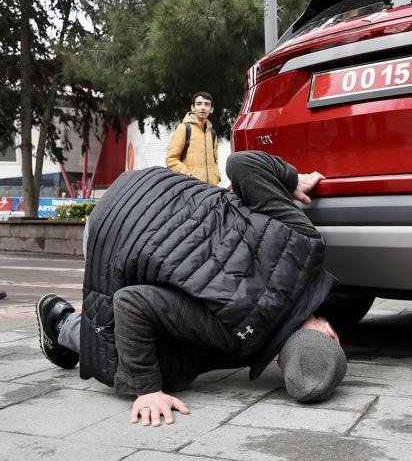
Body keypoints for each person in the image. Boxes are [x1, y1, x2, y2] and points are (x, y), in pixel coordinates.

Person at [36, 151, 347, 426]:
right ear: (280, 362)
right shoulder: (235, 334)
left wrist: (292, 180)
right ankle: (59, 321)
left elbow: (241, 163)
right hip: (109, 232)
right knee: (136, 363)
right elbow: (130, 303)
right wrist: (148, 390)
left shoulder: (305, 243)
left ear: (330, 331)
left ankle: (76, 324)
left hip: (145, 187)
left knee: (167, 354)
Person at [166, 91, 221, 185]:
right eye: (199, 104)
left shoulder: (212, 133)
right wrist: (189, 176)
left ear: (211, 109)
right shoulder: (184, 128)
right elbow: (171, 159)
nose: (203, 107)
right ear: (193, 108)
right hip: (190, 187)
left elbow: (215, 162)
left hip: (211, 189)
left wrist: (216, 177)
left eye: (207, 104)